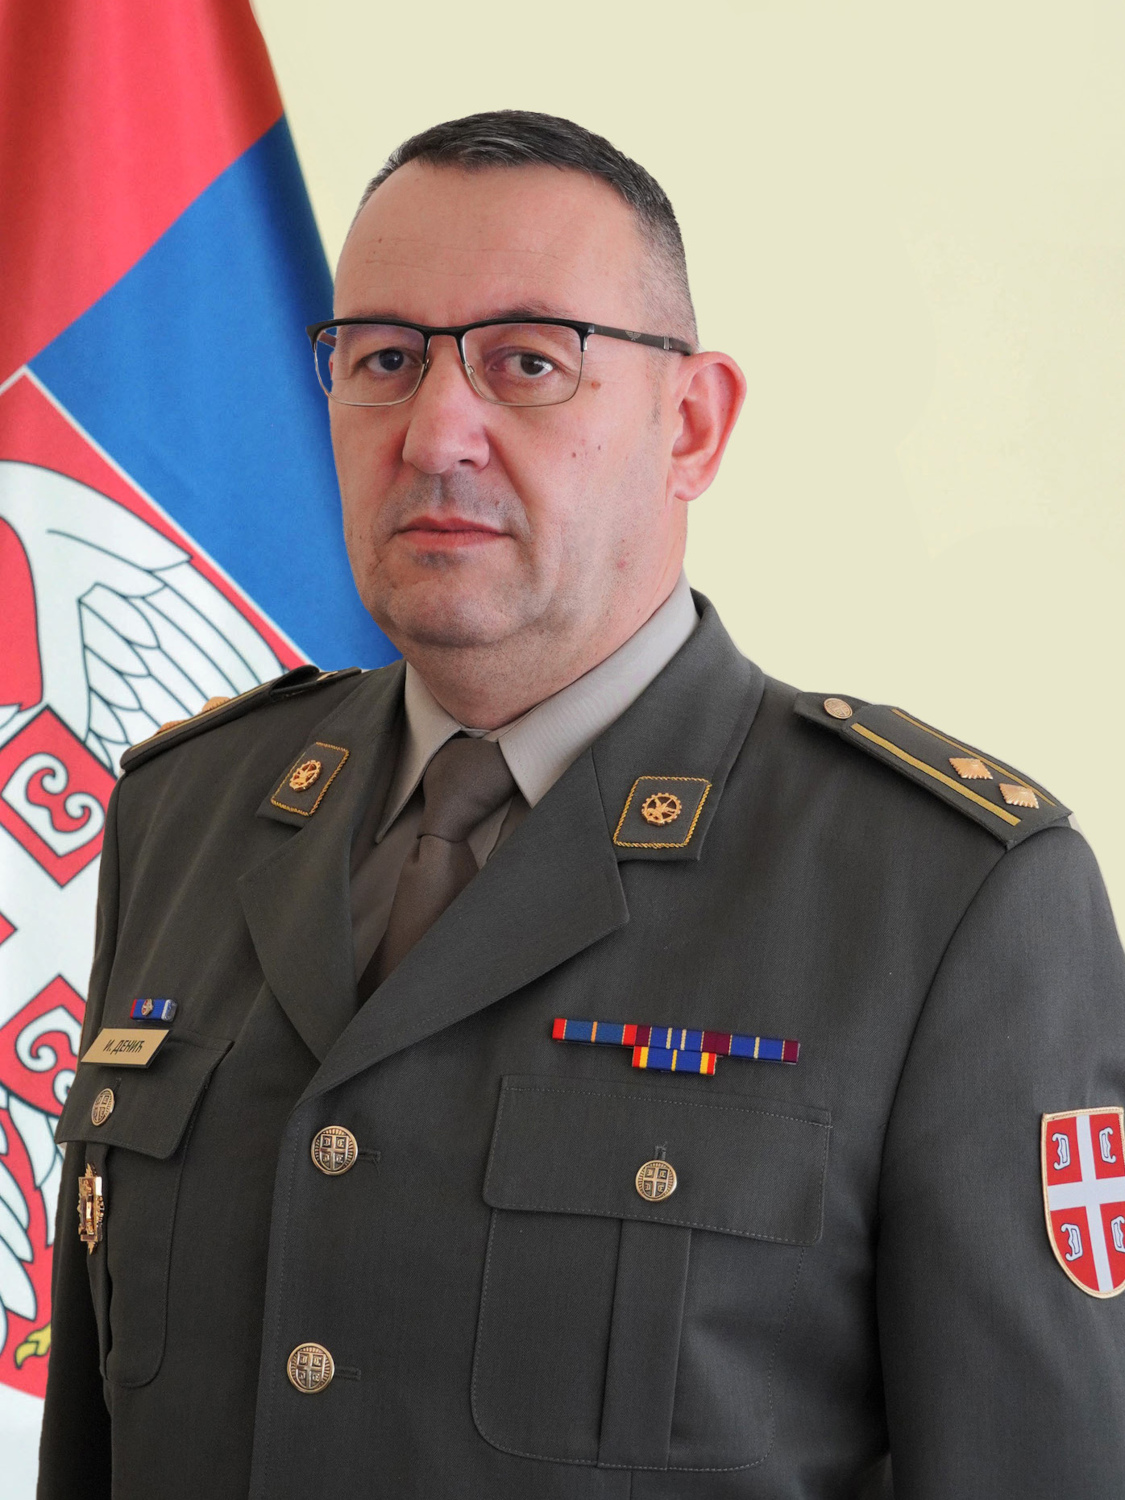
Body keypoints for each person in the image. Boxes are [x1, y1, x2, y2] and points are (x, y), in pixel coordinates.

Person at [39, 111, 1125, 1500]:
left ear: (691, 424)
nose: (436, 433)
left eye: (529, 362)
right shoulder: (188, 814)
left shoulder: (945, 894)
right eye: (383, 359)